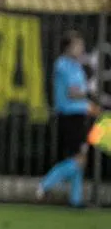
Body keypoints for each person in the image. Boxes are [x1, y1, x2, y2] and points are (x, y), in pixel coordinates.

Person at [36, 31, 94, 208]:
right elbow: (73, 93)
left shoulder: (76, 66)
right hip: (69, 116)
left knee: (80, 156)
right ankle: (45, 184)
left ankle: (75, 199)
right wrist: (90, 94)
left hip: (79, 115)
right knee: (79, 159)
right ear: (68, 47)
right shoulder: (62, 65)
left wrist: (89, 105)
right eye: (78, 45)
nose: (81, 48)